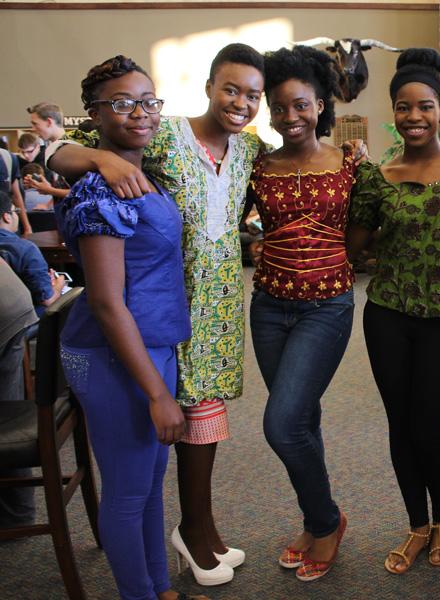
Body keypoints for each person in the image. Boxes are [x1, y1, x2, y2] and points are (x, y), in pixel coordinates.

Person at [48, 42, 269, 585]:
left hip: (194, 318)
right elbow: (57, 154)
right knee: (134, 482)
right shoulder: (129, 164)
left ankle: (179, 559)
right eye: (230, 88)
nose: (140, 113)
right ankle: (171, 558)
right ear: (209, 87)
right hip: (127, 332)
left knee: (159, 467)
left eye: (148, 102)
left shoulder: (246, 149)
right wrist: (99, 156)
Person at [55, 55, 205, 600]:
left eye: (148, 101)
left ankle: (158, 588)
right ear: (93, 114)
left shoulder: (137, 170)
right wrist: (156, 394)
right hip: (113, 352)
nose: (139, 113)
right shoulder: (102, 189)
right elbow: (105, 302)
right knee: (126, 490)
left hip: (151, 344)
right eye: (121, 103)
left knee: (146, 485)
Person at [348, 48, 440, 574]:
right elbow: (353, 245)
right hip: (387, 313)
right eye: (404, 107)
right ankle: (415, 524)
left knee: (430, 427)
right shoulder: (376, 177)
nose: (414, 117)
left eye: (425, 106)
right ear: (394, 111)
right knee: (399, 424)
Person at [247, 44, 355, 582]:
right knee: (302, 419)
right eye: (280, 107)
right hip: (268, 307)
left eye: (301, 105)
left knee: (282, 423)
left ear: (320, 104)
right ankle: (317, 525)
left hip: (326, 306)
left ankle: (326, 519)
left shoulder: (349, 159)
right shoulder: (257, 165)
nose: (291, 117)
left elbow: (367, 228)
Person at [0, 259, 39, 529]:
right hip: (12, 297)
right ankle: (17, 514)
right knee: (6, 400)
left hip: (7, 307)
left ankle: (16, 515)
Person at [0, 190, 66, 309]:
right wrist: (58, 285)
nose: (17, 215)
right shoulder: (25, 249)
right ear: (6, 217)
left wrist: (42, 279)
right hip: (25, 320)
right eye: (16, 211)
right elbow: (48, 301)